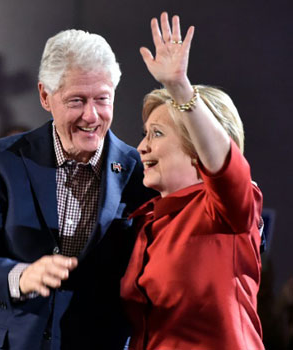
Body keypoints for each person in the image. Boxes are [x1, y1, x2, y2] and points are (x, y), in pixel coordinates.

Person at [0, 29, 153, 349]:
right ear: (45, 96)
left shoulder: (138, 170)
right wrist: (21, 276)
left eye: (102, 99)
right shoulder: (3, 160)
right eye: (77, 100)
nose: (92, 116)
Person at [120, 13, 264, 350]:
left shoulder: (226, 211)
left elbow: (226, 167)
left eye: (156, 134)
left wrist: (179, 88)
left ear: (197, 149)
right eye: (145, 134)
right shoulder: (146, 222)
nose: (142, 147)